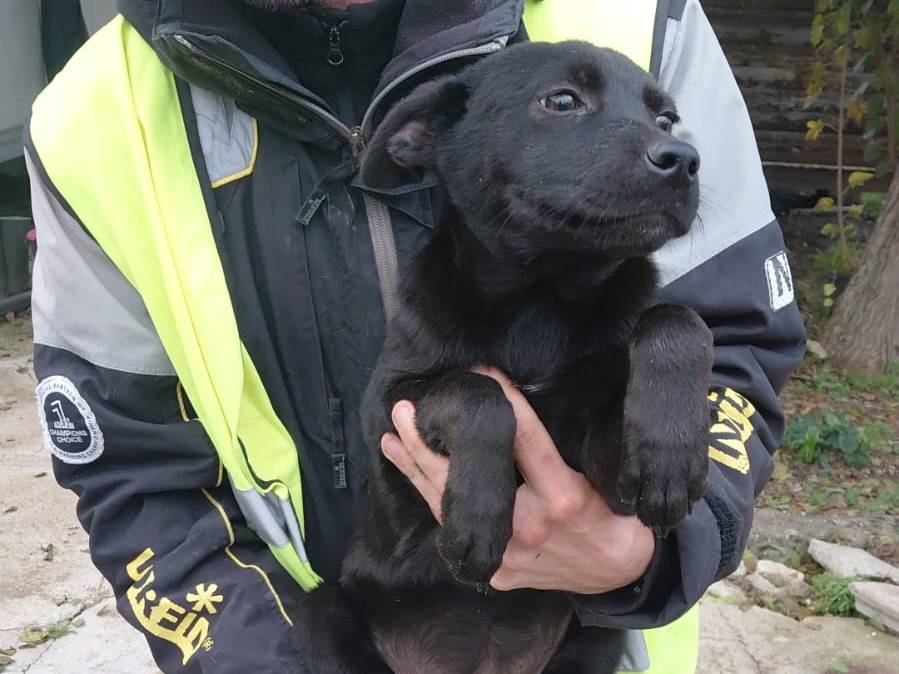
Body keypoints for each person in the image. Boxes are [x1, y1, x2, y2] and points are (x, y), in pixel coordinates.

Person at [25, 1, 806, 672]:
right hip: (353, 634)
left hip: (583, 643)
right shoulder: (94, 118)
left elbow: (739, 338)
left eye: (663, 121)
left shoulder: (640, 17)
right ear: (414, 142)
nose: (667, 143)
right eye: (565, 102)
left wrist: (652, 550)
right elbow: (134, 474)